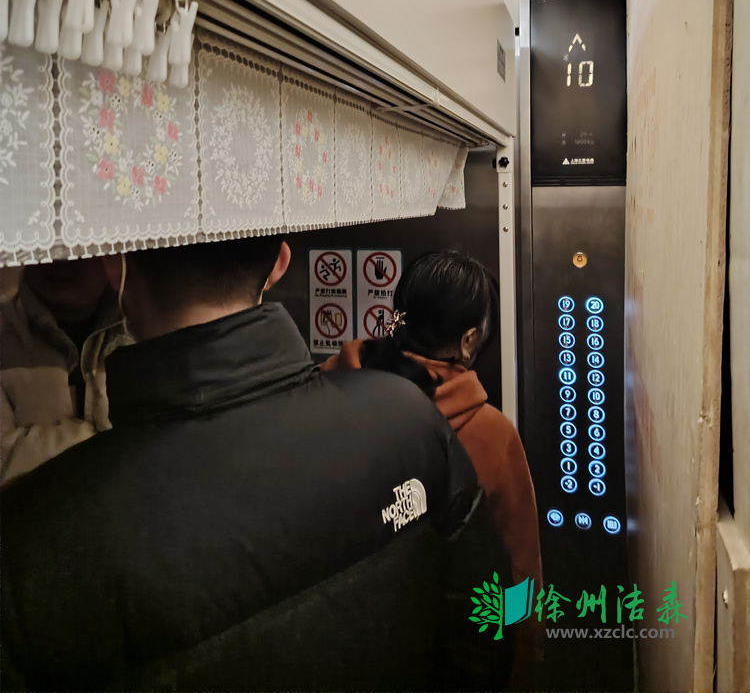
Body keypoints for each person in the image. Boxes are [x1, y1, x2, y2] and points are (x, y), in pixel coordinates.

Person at [1, 236, 513, 692]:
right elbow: (495, 618)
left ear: (117, 268)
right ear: (279, 265)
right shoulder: (412, 418)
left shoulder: (29, 535)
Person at [323, 250, 542, 590]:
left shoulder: (325, 383)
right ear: (468, 341)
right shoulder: (491, 435)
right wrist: (521, 625)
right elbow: (519, 569)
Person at [1, 257, 129, 484]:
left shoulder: (142, 323)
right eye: (52, 244)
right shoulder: (4, 329)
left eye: (79, 247)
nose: (61, 259)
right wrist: (111, 442)